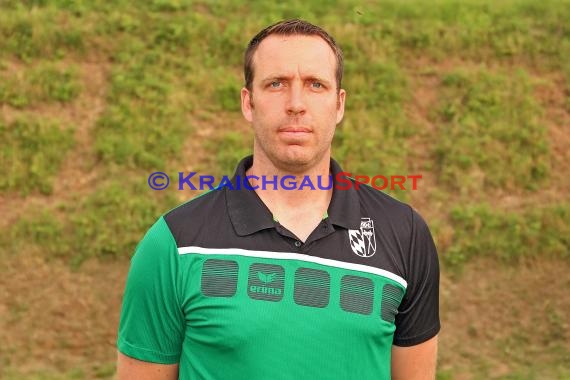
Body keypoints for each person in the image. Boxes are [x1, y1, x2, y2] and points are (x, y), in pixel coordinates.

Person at [116, 19, 440, 380]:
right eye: (276, 84)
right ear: (248, 102)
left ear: (339, 104)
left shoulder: (404, 233)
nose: (296, 104)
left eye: (315, 85)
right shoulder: (175, 244)